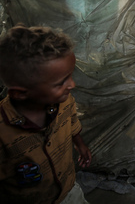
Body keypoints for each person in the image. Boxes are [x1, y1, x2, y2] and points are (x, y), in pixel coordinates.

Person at [0, 24, 92, 204]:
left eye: (70, 76)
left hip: (69, 190)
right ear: (20, 93)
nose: (72, 85)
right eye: (61, 82)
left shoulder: (64, 101)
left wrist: (80, 144)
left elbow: (72, 121)